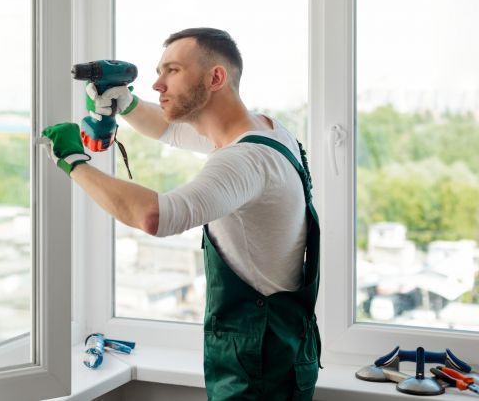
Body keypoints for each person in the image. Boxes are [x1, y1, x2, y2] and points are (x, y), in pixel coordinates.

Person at [42, 27, 321, 400]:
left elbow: (155, 216)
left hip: (258, 366)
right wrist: (124, 102)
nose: (157, 84)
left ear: (215, 77)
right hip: (282, 347)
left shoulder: (244, 161)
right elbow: (171, 131)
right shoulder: (265, 130)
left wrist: (74, 161)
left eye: (172, 71)